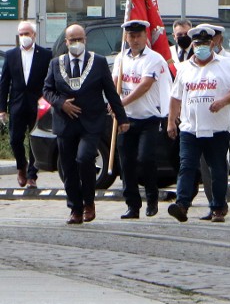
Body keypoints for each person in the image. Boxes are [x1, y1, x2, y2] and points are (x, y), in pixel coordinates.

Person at [43, 24, 129, 225]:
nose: (76, 43)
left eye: (79, 39)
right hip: (65, 123)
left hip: (91, 122)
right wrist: (61, 103)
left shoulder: (97, 62)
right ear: (66, 42)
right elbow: (47, 90)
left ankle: (89, 202)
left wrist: (122, 118)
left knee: (84, 159)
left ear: (85, 40)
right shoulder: (56, 63)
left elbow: (110, 91)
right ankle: (75, 208)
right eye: (72, 40)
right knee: (69, 166)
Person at [167, 25, 230, 223]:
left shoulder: (228, 65)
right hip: (190, 128)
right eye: (197, 44)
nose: (200, 47)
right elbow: (175, 97)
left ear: (212, 44)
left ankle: (218, 207)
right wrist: (171, 121)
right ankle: (182, 204)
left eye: (204, 44)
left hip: (218, 128)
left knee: (218, 169)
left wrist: (223, 101)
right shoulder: (185, 68)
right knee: (186, 166)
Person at [112, 20, 171, 219]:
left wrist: (122, 102)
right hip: (126, 118)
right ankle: (132, 205)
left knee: (145, 159)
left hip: (149, 118)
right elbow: (115, 82)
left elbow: (145, 84)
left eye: (138, 36)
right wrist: (115, 103)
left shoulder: (153, 59)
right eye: (131, 36)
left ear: (145, 37)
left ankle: (152, 198)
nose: (135, 40)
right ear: (126, 37)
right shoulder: (121, 58)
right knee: (126, 163)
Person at [193, 23, 230, 220]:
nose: (208, 44)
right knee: (204, 163)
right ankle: (216, 202)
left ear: (219, 40)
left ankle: (221, 202)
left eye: (212, 39)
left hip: (225, 120)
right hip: (200, 121)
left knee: (219, 162)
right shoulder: (196, 61)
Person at [0, 21, 52, 189]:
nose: (24, 37)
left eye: (27, 33)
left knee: (34, 140)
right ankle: (21, 166)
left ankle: (32, 175)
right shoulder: (11, 55)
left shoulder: (44, 55)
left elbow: (49, 81)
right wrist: (2, 109)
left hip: (38, 104)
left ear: (34, 35)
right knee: (15, 139)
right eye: (21, 34)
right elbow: (4, 83)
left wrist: (46, 101)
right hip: (17, 104)